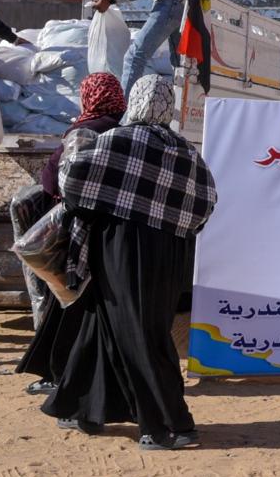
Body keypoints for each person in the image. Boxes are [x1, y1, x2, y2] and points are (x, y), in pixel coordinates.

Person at [42, 75, 217, 450]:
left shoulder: (114, 141)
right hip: (168, 254)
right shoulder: (185, 151)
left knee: (136, 333)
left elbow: (71, 181)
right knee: (109, 323)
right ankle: (86, 408)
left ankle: (165, 425)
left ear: (133, 102)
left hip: (119, 246)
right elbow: (206, 202)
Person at [15, 73, 127, 395]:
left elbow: (59, 181)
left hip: (78, 233)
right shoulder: (123, 130)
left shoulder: (84, 131)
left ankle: (60, 374)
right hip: (112, 233)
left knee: (67, 304)